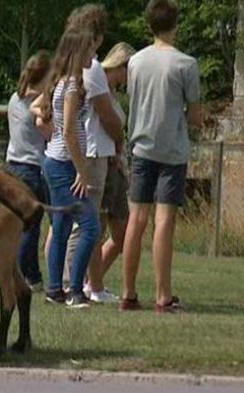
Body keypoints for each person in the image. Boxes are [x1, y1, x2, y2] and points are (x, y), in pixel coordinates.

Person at [121, 0, 202, 313]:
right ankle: (162, 295)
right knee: (163, 220)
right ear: (175, 25)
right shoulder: (186, 64)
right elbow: (195, 116)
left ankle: (128, 293)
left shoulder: (135, 62)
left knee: (136, 219)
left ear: (150, 25)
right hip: (172, 151)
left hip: (141, 147)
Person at [31, 29, 101, 308]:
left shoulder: (61, 81)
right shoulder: (71, 85)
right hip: (63, 165)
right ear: (78, 52)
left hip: (56, 161)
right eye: (90, 50)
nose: (93, 55)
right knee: (90, 225)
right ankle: (75, 290)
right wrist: (82, 171)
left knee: (60, 227)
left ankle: (54, 290)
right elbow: (70, 131)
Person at [63, 4, 125, 304]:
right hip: (94, 151)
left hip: (82, 150)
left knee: (76, 221)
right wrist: (120, 139)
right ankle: (73, 284)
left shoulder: (68, 64)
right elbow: (107, 115)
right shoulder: (93, 68)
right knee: (87, 222)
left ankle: (77, 282)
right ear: (96, 37)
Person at [6, 50, 53, 292]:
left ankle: (22, 273)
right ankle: (30, 277)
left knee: (19, 226)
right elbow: (48, 131)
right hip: (32, 168)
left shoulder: (16, 98)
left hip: (13, 165)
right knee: (31, 228)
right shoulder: (38, 103)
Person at [97, 42, 136, 281]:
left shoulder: (113, 92)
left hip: (117, 167)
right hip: (107, 164)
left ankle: (93, 278)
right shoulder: (99, 86)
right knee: (99, 229)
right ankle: (88, 281)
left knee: (121, 235)